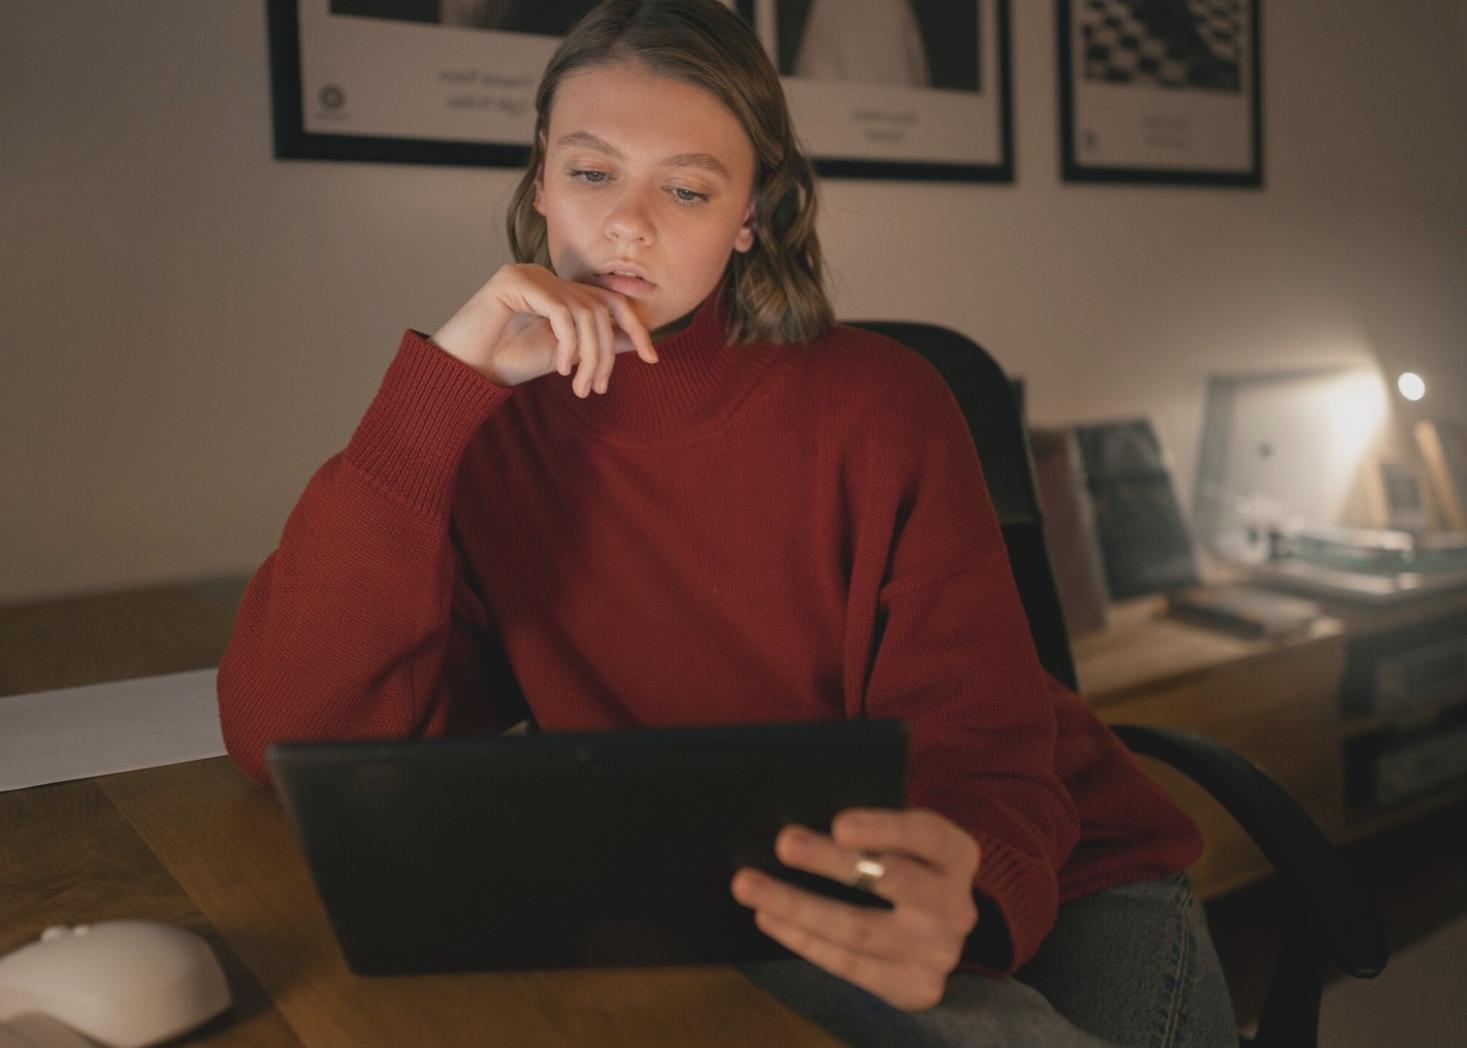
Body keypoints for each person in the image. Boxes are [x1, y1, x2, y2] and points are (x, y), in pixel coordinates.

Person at [218, 1, 1238, 1044]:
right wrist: (436, 391)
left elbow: (982, 738)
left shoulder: (885, 405)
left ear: (751, 213)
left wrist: (965, 895)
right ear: (539, 179)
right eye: (590, 171)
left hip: (1041, 870)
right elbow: (288, 742)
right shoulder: (487, 437)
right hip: (736, 896)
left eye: (689, 188)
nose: (627, 224)